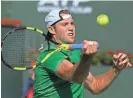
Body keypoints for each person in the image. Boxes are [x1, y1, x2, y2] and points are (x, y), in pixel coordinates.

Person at [34, 9, 132, 98]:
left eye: (72, 23)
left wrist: (116, 68)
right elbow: (75, 77)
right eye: (65, 24)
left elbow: (95, 86)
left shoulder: (75, 53)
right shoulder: (49, 55)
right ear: (52, 29)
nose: (71, 28)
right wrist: (86, 57)